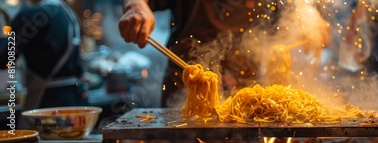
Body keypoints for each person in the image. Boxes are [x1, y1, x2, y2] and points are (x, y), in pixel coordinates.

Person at [119, 0, 332, 107]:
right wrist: (136, 7)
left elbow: (294, 7)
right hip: (186, 85)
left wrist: (311, 21)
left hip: (250, 90)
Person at [0, 0, 89, 111]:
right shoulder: (66, 10)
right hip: (75, 98)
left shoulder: (32, 14)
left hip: (48, 102)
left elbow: (4, 57)